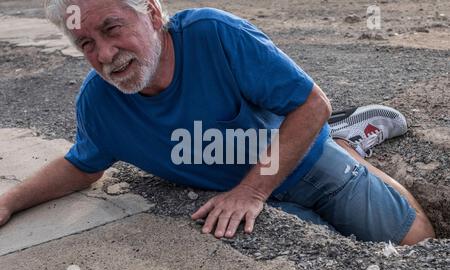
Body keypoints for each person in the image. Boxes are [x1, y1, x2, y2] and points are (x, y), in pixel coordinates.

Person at [0, 0, 435, 245]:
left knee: (413, 241)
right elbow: (83, 165)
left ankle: (347, 147)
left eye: (113, 29)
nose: (106, 55)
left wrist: (251, 189)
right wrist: (10, 201)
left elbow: (312, 106)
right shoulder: (99, 103)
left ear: (151, 14)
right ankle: (347, 145)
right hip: (235, 196)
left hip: (301, 157)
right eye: (86, 44)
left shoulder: (214, 34)